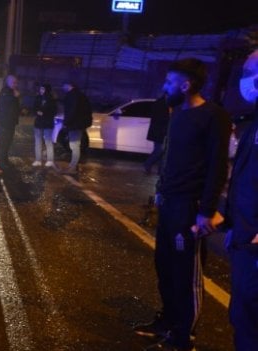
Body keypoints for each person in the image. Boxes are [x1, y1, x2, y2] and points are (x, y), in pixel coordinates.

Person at [133, 58, 231, 351]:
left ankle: (183, 335)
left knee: (186, 272)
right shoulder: (177, 114)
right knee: (164, 265)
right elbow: (171, 158)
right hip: (170, 203)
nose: (164, 87)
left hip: (191, 207)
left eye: (169, 82)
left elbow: (217, 166)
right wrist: (160, 191)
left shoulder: (214, 116)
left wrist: (206, 211)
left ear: (185, 85)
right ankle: (168, 321)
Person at [225, 49, 258, 351]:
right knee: (243, 317)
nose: (248, 81)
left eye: (252, 72)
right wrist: (231, 222)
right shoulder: (254, 126)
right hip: (245, 238)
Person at [60, 81, 92, 174]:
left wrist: (66, 122)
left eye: (64, 85)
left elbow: (72, 111)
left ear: (70, 85)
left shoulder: (73, 96)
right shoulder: (79, 95)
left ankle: (73, 167)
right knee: (74, 145)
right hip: (78, 124)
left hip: (75, 125)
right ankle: (72, 166)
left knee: (74, 145)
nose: (63, 87)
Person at [0, 74, 21, 170]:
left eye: (16, 82)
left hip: (10, 122)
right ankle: (1, 163)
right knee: (3, 143)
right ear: (8, 82)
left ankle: (5, 160)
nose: (15, 84)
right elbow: (6, 104)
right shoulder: (5, 91)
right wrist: (15, 97)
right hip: (4, 123)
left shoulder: (11, 91)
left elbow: (14, 107)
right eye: (13, 82)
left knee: (8, 143)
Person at [143, 94, 171, 175]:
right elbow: (161, 118)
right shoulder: (161, 103)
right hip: (160, 131)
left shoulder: (163, 103)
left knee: (162, 151)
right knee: (160, 150)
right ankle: (148, 163)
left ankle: (161, 170)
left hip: (160, 131)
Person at [32, 83, 57, 167]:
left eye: (43, 89)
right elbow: (34, 108)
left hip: (48, 123)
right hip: (38, 123)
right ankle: (38, 160)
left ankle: (50, 160)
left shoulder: (52, 99)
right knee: (38, 142)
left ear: (47, 90)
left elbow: (54, 111)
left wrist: (44, 113)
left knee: (48, 142)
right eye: (40, 89)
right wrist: (37, 112)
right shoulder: (38, 97)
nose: (41, 90)